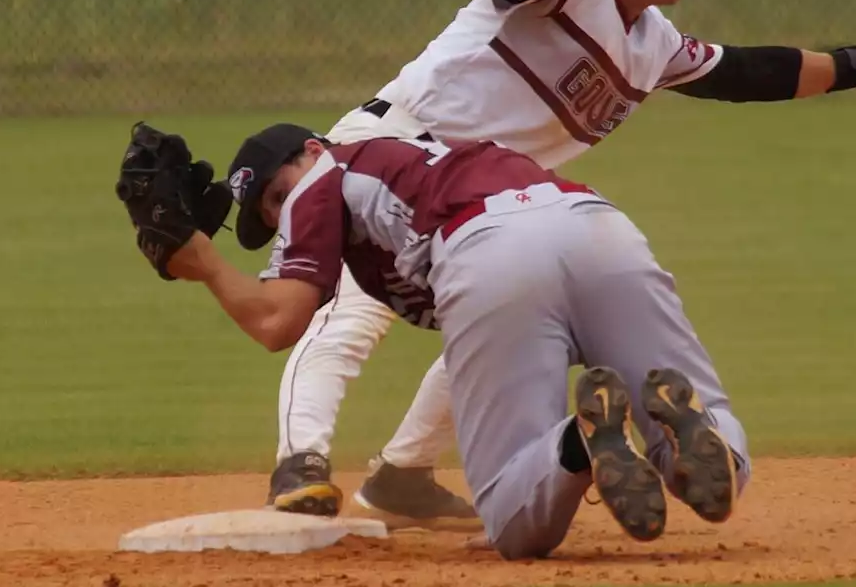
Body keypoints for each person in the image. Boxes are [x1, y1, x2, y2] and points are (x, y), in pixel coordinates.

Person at [259, 0, 856, 528]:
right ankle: (299, 463)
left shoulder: (654, 44)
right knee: (348, 315)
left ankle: (405, 471)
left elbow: (755, 72)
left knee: (507, 316)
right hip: (394, 152)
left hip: (487, 212)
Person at [161, 122, 751, 559]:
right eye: (270, 211)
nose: (282, 212)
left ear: (312, 150)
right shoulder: (414, 157)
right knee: (718, 433)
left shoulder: (324, 176)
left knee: (514, 523)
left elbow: (277, 324)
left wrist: (204, 262)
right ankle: (698, 431)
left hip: (488, 252)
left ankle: (578, 442)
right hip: (594, 224)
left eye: (275, 194)